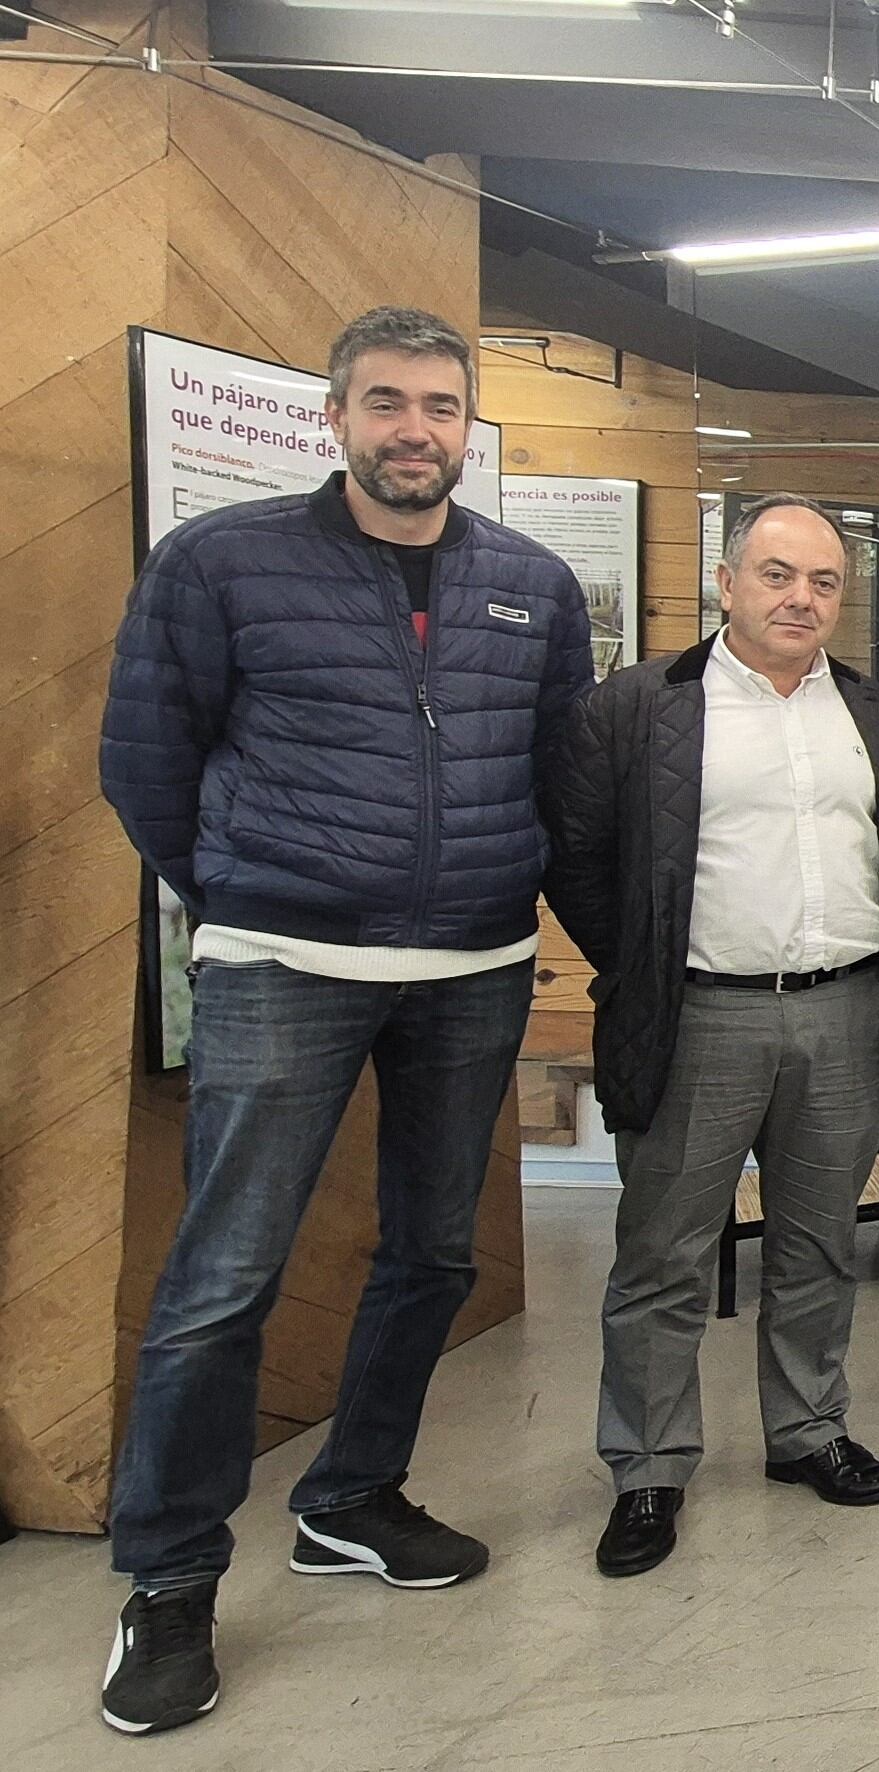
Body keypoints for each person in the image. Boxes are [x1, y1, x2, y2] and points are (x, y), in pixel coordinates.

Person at [93, 307, 593, 1736]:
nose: (413, 430)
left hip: (475, 964)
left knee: (432, 1252)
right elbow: (145, 762)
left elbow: (559, 770)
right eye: (386, 402)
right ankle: (170, 1579)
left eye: (439, 406)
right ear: (337, 417)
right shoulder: (220, 562)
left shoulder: (532, 585)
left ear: (468, 426)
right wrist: (253, 893)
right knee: (222, 1280)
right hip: (282, 963)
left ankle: (352, 1496)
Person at [543, 492, 879, 1577]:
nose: (801, 597)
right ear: (725, 581)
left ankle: (807, 1430)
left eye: (823, 581)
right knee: (664, 1254)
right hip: (697, 1015)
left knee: (819, 1243)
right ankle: (649, 1465)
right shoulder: (638, 707)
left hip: (843, 1013)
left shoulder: (870, 711)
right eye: (777, 573)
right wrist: (646, 964)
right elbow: (575, 856)